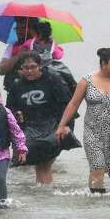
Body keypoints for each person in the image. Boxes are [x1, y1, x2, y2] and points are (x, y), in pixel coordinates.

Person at [56, 48, 110, 194]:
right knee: (97, 166)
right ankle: (95, 204)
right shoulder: (87, 80)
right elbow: (73, 104)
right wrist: (62, 125)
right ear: (104, 63)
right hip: (92, 133)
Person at [7, 52, 75, 184]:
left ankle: (44, 196)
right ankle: (43, 196)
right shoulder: (16, 86)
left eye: (33, 67)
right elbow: (9, 109)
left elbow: (67, 106)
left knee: (44, 166)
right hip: (29, 128)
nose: (30, 71)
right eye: (26, 68)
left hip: (53, 126)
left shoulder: (53, 80)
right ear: (20, 69)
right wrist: (17, 114)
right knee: (37, 166)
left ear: (40, 66)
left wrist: (67, 127)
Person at [0, 17, 38, 92]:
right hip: (15, 90)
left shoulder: (40, 44)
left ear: (31, 29)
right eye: (17, 28)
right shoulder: (12, 46)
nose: (19, 31)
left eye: (23, 28)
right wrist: (18, 55)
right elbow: (1, 70)